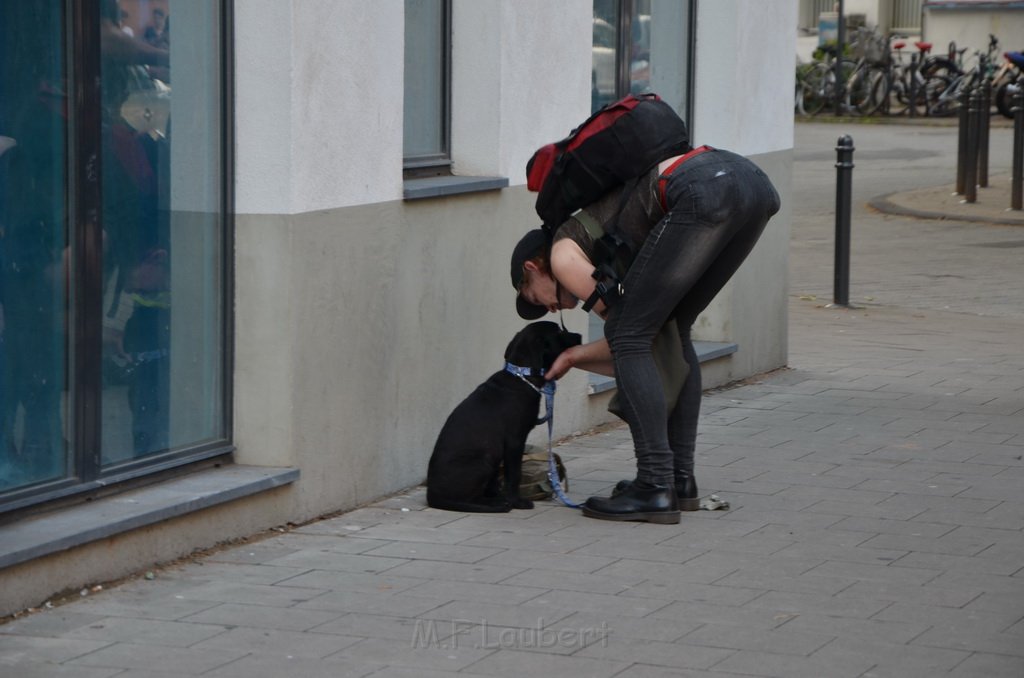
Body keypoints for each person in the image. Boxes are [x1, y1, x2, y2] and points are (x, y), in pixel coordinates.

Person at [511, 144, 780, 524]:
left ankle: (655, 485)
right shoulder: (595, 245)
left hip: (701, 188)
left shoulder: (562, 255)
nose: (547, 308)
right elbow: (654, 340)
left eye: (532, 297)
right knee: (676, 326)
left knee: (630, 333)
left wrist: (573, 356)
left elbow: (629, 340)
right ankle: (679, 480)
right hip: (750, 184)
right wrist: (575, 357)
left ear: (532, 268)